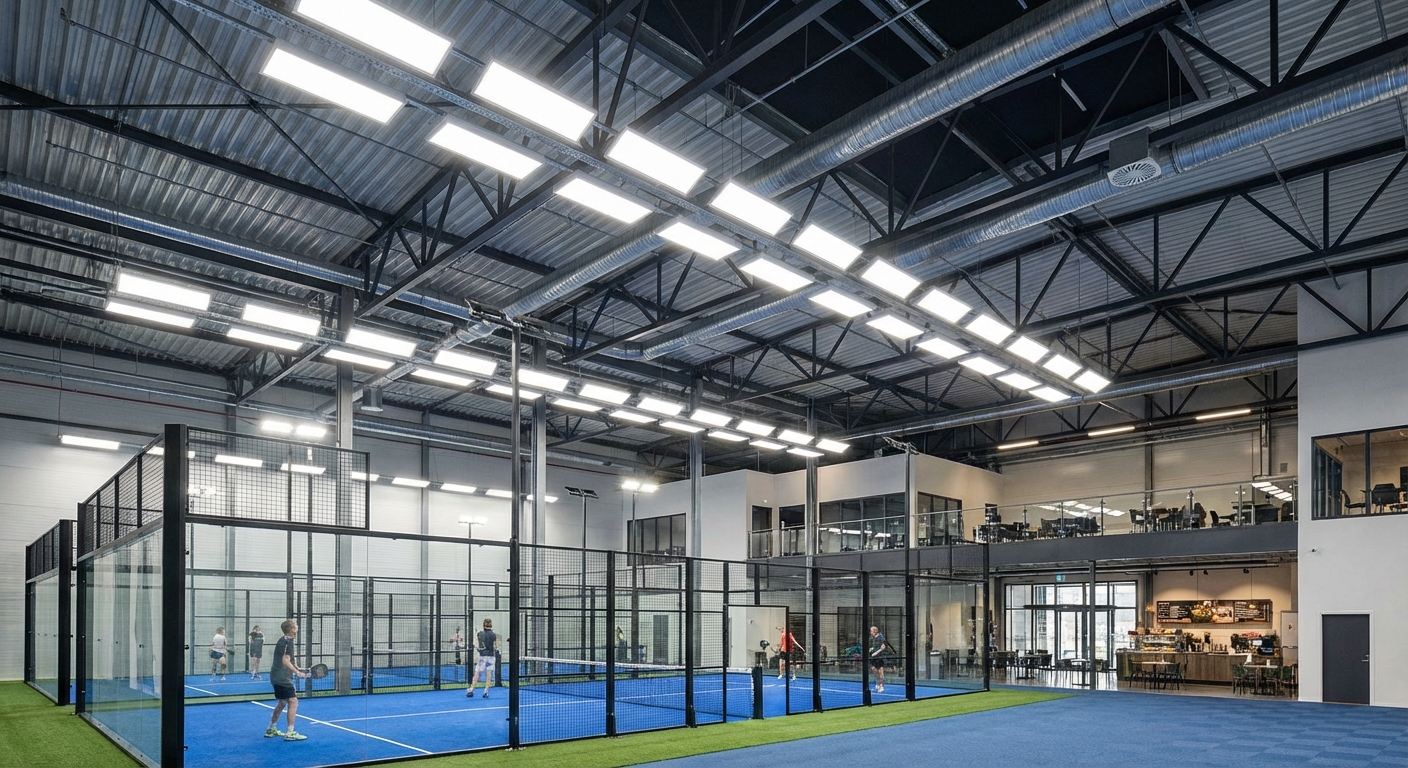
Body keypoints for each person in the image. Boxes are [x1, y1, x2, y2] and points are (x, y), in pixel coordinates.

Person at [265, 619, 309, 741]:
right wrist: (297, 673)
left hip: (277, 677)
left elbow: (287, 660)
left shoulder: (286, 641)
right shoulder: (286, 642)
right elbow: (285, 661)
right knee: (293, 701)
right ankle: (290, 732)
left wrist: (300, 669)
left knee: (282, 702)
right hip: (282, 678)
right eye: (295, 625)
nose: (297, 626)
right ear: (291, 629)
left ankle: (271, 729)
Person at [467, 618, 497, 699]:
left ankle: (471, 690)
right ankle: (486, 691)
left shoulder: (479, 634)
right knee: (489, 673)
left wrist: (477, 647)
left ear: (484, 624)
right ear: (491, 625)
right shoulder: (494, 635)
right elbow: (495, 646)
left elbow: (475, 644)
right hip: (491, 657)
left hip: (483, 657)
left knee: (477, 673)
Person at [868, 626, 891, 694]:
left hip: (880, 657)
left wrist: (876, 653)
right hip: (873, 657)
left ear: (875, 631)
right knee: (874, 669)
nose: (870, 633)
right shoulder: (871, 638)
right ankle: (878, 682)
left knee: (881, 671)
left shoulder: (881, 637)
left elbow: (883, 647)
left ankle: (881, 685)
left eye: (871, 631)